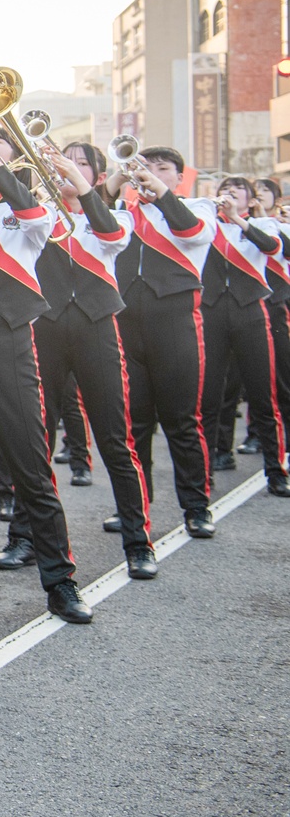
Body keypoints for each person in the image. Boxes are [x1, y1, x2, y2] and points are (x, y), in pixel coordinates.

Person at [0, 135, 91, 625]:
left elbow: (37, 222)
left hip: (12, 343)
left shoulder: (34, 207)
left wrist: (1, 173)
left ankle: (60, 581)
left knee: (32, 467)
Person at [33, 143, 160, 576]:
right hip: (45, 330)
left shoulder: (116, 215)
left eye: (82, 162)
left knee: (115, 441)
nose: (70, 168)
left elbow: (109, 236)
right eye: (63, 161)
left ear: (98, 174)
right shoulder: (40, 214)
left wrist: (84, 187)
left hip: (96, 330)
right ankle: (24, 536)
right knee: (36, 442)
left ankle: (138, 542)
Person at [113, 146, 218, 540]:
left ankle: (196, 506)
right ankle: (136, 507)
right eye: (144, 167)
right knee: (134, 424)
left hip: (175, 323)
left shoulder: (199, 207)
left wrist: (160, 192)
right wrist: (121, 182)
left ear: (179, 176)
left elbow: (191, 230)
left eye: (162, 169)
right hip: (127, 324)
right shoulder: (124, 213)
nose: (151, 174)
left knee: (181, 422)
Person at [198, 175, 287, 488]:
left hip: (250, 312)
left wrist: (237, 218)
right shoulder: (205, 223)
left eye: (238, 190)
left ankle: (276, 471)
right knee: (209, 397)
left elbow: (273, 247)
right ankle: (205, 470)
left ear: (251, 200)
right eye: (224, 189)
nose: (229, 194)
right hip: (210, 314)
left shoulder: (264, 225)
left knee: (263, 396)